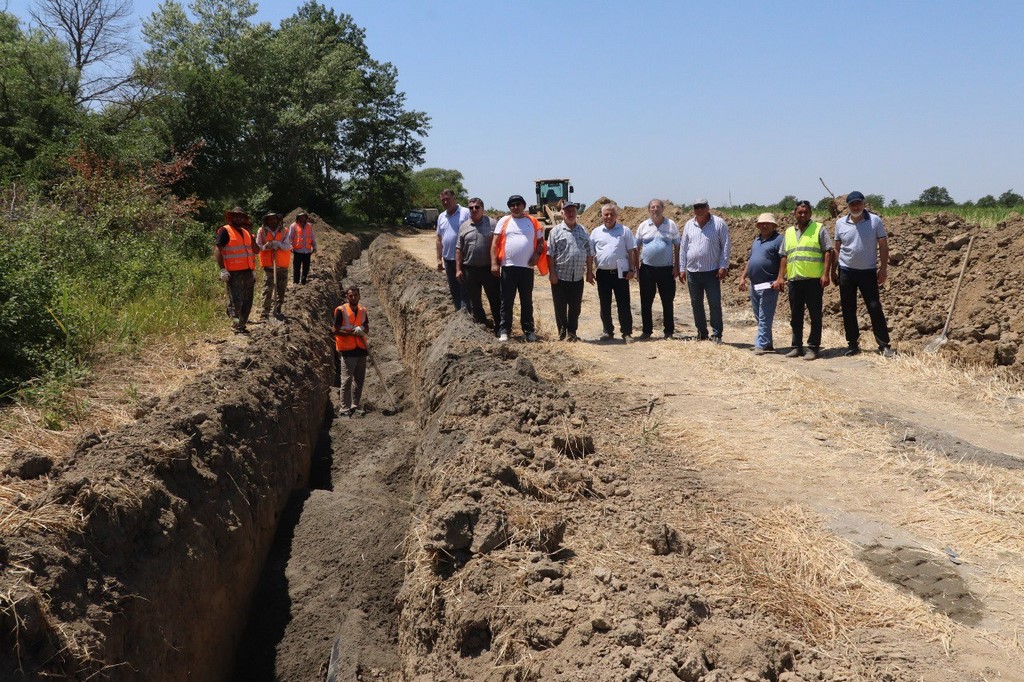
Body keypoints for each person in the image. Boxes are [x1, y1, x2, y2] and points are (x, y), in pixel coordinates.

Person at [831, 191, 895, 357]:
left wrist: (883, 269)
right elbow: (837, 248)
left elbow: (883, 245)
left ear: (864, 203)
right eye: (853, 204)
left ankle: (884, 345)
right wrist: (833, 270)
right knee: (848, 308)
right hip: (846, 271)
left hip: (868, 271)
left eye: (858, 203)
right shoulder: (840, 224)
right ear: (848, 206)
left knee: (874, 307)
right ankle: (852, 344)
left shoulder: (875, 221)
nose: (856, 206)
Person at [490, 194, 547, 342]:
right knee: (506, 301)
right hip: (508, 267)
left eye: (518, 204)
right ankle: (504, 330)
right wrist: (494, 263)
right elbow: (495, 244)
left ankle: (528, 331)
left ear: (523, 206)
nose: (515, 207)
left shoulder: (533, 221)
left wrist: (537, 255)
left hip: (527, 269)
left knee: (526, 301)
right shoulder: (504, 221)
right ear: (509, 207)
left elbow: (541, 242)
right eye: (512, 205)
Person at [781, 201, 833, 360]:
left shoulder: (819, 228)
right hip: (794, 280)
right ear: (794, 214)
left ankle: (813, 347)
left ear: (810, 213)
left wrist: (826, 274)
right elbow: (784, 255)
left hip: (813, 281)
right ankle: (796, 346)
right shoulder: (789, 232)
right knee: (796, 315)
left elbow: (828, 252)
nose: (802, 215)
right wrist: (780, 277)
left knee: (815, 315)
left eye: (806, 212)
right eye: (799, 212)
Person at [678, 198, 731, 342]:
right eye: (696, 207)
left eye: (702, 206)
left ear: (708, 207)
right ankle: (702, 332)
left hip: (711, 271)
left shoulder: (718, 224)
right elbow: (683, 248)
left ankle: (717, 333)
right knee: (696, 303)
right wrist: (682, 268)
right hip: (693, 272)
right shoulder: (689, 225)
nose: (699, 209)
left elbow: (725, 246)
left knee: (714, 303)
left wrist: (723, 266)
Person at [545, 201, 594, 341]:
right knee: (560, 307)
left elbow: (589, 252)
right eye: (567, 211)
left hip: (577, 278)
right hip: (560, 277)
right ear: (562, 213)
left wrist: (589, 272)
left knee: (575, 308)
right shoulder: (555, 231)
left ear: (576, 213)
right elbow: (550, 254)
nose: (571, 213)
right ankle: (562, 333)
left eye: (573, 211)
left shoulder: (583, 231)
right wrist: (552, 274)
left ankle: (572, 333)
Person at [589, 203, 638, 343]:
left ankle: (627, 333)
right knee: (605, 304)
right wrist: (590, 271)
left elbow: (631, 251)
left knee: (623, 303)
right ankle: (608, 331)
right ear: (602, 216)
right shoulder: (596, 232)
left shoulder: (625, 231)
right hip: (603, 274)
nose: (609, 217)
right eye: (606, 214)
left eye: (611, 214)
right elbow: (591, 254)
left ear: (616, 215)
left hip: (621, 273)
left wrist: (632, 269)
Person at [738, 213, 785, 354]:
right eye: (761, 224)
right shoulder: (756, 240)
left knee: (765, 314)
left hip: (769, 284)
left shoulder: (779, 240)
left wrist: (780, 278)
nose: (764, 226)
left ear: (774, 225)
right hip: (754, 283)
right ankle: (768, 343)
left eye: (767, 223)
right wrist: (742, 277)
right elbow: (750, 260)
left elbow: (784, 260)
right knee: (759, 315)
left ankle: (760, 344)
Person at [634, 199, 681, 339]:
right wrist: (636, 268)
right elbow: (636, 248)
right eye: (653, 207)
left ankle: (668, 331)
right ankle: (647, 331)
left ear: (663, 209)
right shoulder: (643, 226)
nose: (655, 209)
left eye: (658, 207)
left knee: (667, 301)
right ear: (649, 210)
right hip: (647, 270)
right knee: (646, 301)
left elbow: (677, 246)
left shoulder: (671, 225)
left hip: (666, 270)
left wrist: (677, 266)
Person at [455, 198, 501, 335]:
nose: (474, 210)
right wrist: (458, 269)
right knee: (475, 300)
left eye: (477, 207)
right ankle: (482, 324)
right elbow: (459, 249)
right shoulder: (464, 226)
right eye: (471, 208)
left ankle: (500, 326)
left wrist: (497, 264)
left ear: (483, 208)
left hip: (489, 270)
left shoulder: (493, 224)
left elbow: (500, 245)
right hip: (470, 270)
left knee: (495, 299)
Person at [215, 206, 256, 334]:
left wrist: (252, 236)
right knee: (236, 301)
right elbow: (217, 250)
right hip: (234, 273)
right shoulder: (225, 231)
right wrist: (222, 270)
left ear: (244, 219)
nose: (238, 218)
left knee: (248, 300)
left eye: (241, 216)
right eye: (236, 216)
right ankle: (235, 324)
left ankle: (242, 325)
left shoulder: (246, 232)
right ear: (231, 218)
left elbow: (256, 250)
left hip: (248, 271)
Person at [333, 286, 369, 416]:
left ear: (359, 295)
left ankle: (355, 404)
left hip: (361, 349)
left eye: (355, 295)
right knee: (347, 380)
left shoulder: (363, 311)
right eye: (350, 296)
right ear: (347, 297)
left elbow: (367, 327)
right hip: (348, 351)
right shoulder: (341, 311)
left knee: (359, 380)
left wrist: (362, 329)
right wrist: (352, 333)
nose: (353, 297)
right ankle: (344, 408)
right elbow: (335, 330)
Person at [435, 189, 471, 312]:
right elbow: (439, 239)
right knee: (454, 289)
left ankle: (467, 316)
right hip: (448, 259)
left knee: (465, 289)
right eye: (443, 200)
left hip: (463, 258)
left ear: (454, 198)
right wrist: (438, 259)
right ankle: (459, 315)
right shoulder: (441, 216)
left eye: (448, 198)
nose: (445, 201)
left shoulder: (465, 213)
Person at [255, 212, 290, 320]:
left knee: (281, 289)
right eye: (270, 219)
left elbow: (288, 245)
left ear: (278, 220)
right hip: (269, 265)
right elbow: (258, 246)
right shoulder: (261, 231)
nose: (272, 221)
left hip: (282, 265)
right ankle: (265, 313)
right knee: (267, 289)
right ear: (266, 220)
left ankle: (277, 310)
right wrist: (267, 246)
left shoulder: (285, 231)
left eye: (274, 219)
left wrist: (278, 244)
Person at [288, 212, 317, 284]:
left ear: (306, 217)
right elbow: (290, 238)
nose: (302, 218)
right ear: (298, 217)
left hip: (307, 251)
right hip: (297, 250)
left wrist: (314, 246)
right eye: (301, 217)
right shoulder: (293, 226)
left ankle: (303, 281)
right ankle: (296, 282)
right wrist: (290, 246)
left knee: (306, 267)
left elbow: (312, 237)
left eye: (304, 217)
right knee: (296, 268)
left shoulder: (309, 226)